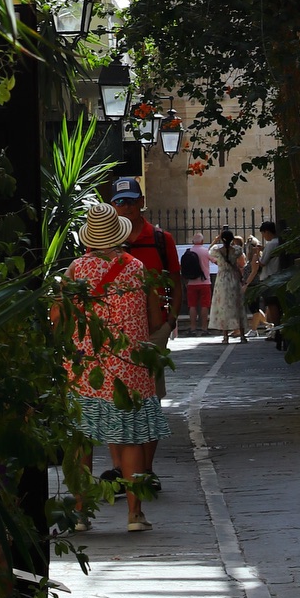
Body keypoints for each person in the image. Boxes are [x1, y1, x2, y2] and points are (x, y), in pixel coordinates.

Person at [61, 202, 163, 531]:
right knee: (131, 438)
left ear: (89, 237)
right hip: (128, 366)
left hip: (83, 367)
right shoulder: (137, 268)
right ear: (119, 235)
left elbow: (56, 316)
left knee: (81, 440)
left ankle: (80, 513)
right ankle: (135, 515)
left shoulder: (75, 270)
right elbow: (157, 318)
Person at [111, 177, 180, 474]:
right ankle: (120, 471)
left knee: (149, 402)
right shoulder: (104, 243)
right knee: (115, 404)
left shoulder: (161, 239)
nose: (126, 207)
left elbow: (176, 281)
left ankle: (146, 471)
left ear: (141, 202)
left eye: (130, 201)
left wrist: (171, 321)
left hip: (153, 333)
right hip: (114, 335)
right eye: (119, 202)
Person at [210, 228, 248, 345]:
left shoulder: (217, 250)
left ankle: (225, 336)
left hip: (222, 279)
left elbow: (209, 251)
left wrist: (215, 240)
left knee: (223, 307)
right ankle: (242, 335)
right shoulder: (237, 250)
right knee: (238, 306)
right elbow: (242, 263)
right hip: (234, 278)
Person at [256, 218, 284, 346]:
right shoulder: (279, 242)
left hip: (269, 277)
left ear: (267, 232)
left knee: (272, 306)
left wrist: (257, 255)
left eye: (263, 234)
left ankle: (277, 330)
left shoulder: (271, 244)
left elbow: (262, 262)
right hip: (278, 276)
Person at [180, 245, 211, 332]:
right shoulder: (205, 251)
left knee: (192, 305)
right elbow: (215, 261)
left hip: (191, 282)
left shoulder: (188, 252)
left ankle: (193, 327)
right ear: (202, 241)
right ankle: (204, 328)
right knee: (205, 305)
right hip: (205, 282)